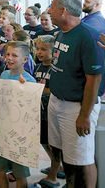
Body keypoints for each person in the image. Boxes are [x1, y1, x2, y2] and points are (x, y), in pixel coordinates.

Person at [47, 0, 102, 188]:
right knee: (67, 157)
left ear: (63, 10)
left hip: (76, 107)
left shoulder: (87, 36)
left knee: (82, 159)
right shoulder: (62, 32)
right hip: (58, 101)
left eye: (52, 7)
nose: (48, 11)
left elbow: (94, 79)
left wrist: (84, 115)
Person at [0, 41, 35, 188]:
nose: (10, 58)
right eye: (7, 54)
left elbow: (32, 110)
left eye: (14, 55)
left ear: (25, 60)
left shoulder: (29, 80)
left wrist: (26, 89)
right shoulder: (4, 74)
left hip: (19, 136)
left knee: (20, 174)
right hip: (3, 133)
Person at [33, 35, 64, 187]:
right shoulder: (37, 67)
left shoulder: (56, 68)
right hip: (40, 111)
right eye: (38, 49)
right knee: (43, 140)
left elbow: (54, 90)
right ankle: (56, 165)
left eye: (44, 49)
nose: (39, 52)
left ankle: (53, 174)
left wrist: (38, 89)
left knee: (54, 144)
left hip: (53, 112)